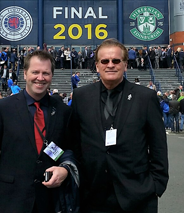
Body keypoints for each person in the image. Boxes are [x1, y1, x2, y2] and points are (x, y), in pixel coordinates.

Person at [69, 38, 168, 212]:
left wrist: (157, 185)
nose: (110, 65)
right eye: (105, 61)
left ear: (125, 65)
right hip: (92, 194)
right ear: (97, 65)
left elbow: (158, 144)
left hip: (137, 194)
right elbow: (75, 140)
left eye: (116, 61)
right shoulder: (81, 96)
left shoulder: (145, 97)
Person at [0, 50, 78, 213]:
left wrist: (65, 169)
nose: (40, 77)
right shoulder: (3, 108)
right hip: (10, 200)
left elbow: (64, 149)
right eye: (35, 72)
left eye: (45, 73)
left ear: (51, 76)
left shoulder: (62, 110)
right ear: (24, 74)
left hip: (50, 200)